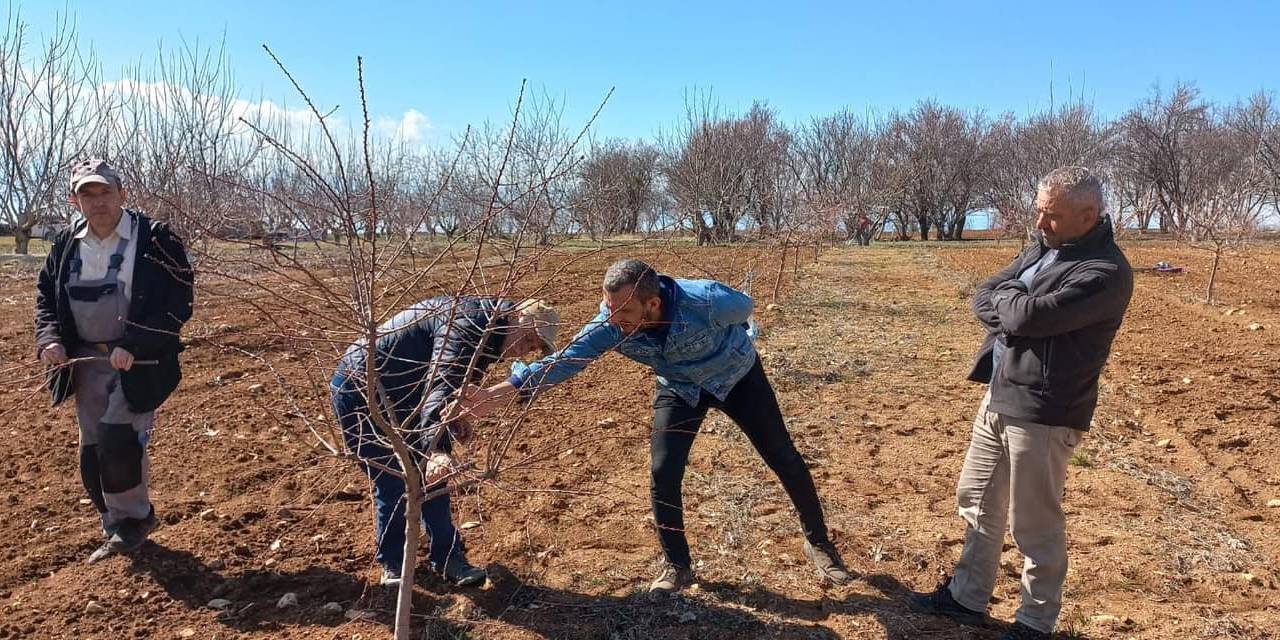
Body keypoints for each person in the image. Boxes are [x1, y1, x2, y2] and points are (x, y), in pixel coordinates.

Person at [453, 259, 851, 594]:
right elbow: (568, 361)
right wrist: (503, 390)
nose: (614, 321)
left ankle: (819, 543)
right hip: (679, 389)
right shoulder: (609, 324)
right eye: (608, 309)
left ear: (654, 303)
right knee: (663, 471)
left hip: (736, 378)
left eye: (624, 313)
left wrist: (743, 336)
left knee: (783, 456)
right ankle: (677, 566)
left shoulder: (709, 301)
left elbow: (745, 308)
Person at [908, 167, 1133, 639]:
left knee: (1034, 523)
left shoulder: (1105, 272)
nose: (1039, 223)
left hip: (1046, 410)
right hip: (1000, 391)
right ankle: (967, 596)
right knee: (977, 501)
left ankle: (1035, 621)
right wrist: (1013, 306)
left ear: (1088, 215)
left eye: (1051, 216)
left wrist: (1012, 306)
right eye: (1039, 211)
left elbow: (1027, 315)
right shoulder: (1045, 248)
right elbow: (987, 295)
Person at [330, 297, 559, 587]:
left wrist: (456, 419)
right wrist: (438, 449)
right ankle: (394, 565)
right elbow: (442, 381)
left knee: (433, 480)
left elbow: (452, 389)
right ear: (515, 316)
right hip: (360, 391)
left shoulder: (490, 337)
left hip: (408, 395)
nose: (524, 349)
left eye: (533, 348)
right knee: (394, 480)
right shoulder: (468, 324)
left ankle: (449, 558)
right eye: (527, 337)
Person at [35, 159, 194, 563]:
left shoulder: (155, 240)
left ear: (122, 193)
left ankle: (133, 521)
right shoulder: (67, 243)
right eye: (88, 194)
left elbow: (178, 303)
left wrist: (136, 343)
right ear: (74, 200)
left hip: (137, 363)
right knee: (92, 449)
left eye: (105, 192)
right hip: (83, 361)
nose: (98, 201)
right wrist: (50, 341)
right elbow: (46, 301)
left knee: (117, 437)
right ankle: (114, 522)